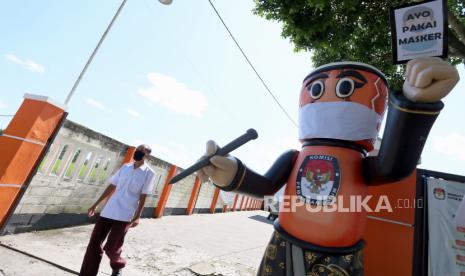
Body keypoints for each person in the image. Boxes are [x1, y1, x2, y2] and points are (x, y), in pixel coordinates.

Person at [197, 57, 459, 275]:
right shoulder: (294, 157)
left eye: (346, 88)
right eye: (317, 89)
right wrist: (230, 172)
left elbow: (395, 166)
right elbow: (266, 186)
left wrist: (414, 103)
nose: (331, 100)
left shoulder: (360, 164)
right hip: (284, 244)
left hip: (339, 256)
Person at [79, 144, 155, 276]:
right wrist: (95, 204)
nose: (138, 152)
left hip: (125, 214)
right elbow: (112, 186)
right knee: (94, 244)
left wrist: (138, 216)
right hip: (109, 210)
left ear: (147, 155)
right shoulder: (125, 167)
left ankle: (118, 265)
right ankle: (87, 273)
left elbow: (143, 196)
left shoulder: (149, 173)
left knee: (112, 247)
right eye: (138, 149)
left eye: (142, 151)